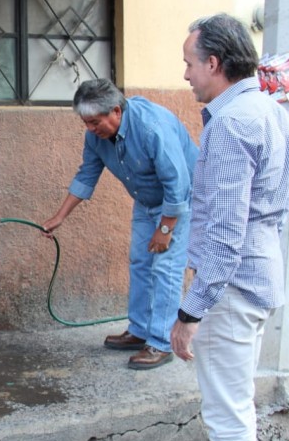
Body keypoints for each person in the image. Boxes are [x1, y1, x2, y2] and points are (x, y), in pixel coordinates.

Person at [171, 14, 289, 441]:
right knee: (234, 406)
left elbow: (225, 236)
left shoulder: (232, 124)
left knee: (227, 413)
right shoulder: (268, 110)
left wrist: (190, 313)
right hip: (258, 277)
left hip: (233, 287)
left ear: (215, 64)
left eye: (189, 63)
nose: (185, 74)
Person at [42, 78, 198, 369]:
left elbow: (178, 183)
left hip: (180, 202)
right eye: (85, 122)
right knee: (140, 261)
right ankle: (139, 331)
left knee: (165, 267)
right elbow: (87, 174)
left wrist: (165, 229)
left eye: (94, 122)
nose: (89, 129)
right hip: (146, 201)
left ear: (116, 111)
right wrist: (60, 216)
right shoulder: (96, 136)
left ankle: (161, 343)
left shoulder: (152, 128)